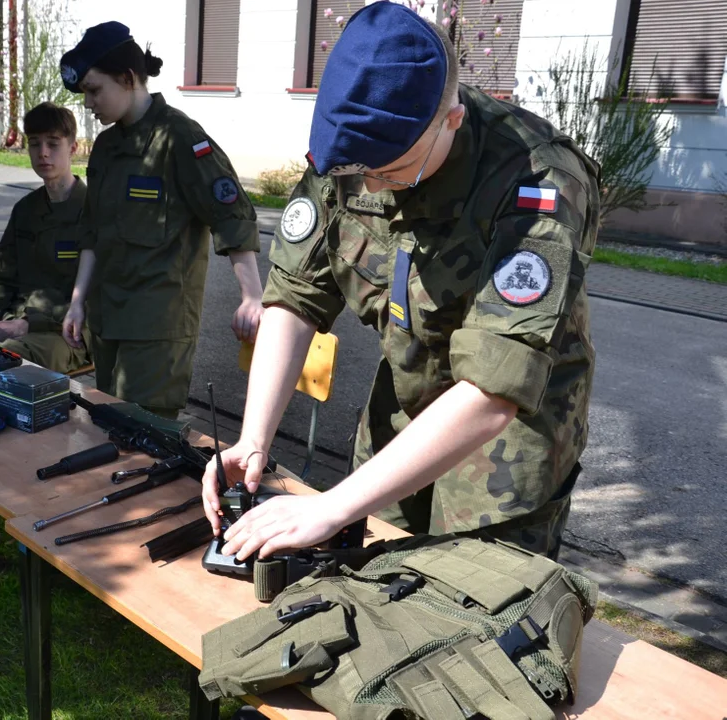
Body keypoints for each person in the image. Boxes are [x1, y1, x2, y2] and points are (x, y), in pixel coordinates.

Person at [202, 3, 599, 563]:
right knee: (375, 571)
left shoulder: (538, 180)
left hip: (507, 436)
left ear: (451, 121)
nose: (370, 184)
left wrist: (329, 507)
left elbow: (494, 388)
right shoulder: (352, 145)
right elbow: (294, 296)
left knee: (473, 596)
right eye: (358, 169)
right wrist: (254, 440)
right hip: (403, 405)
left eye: (391, 170)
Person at [59, 22, 264, 421]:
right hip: (107, 321)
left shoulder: (181, 139)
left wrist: (252, 297)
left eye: (95, 90)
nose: (88, 103)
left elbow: (232, 216)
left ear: (129, 78)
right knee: (107, 429)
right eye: (85, 93)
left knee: (145, 443)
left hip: (156, 330)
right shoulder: (106, 146)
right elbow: (91, 232)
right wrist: (78, 302)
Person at [0, 101, 94, 584]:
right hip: (17, 330)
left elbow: (95, 298)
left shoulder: (92, 212)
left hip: (67, 337)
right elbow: (1, 280)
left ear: (74, 148)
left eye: (53, 144)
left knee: (2, 378)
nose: (43, 153)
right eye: (34, 144)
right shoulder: (26, 209)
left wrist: (24, 324)